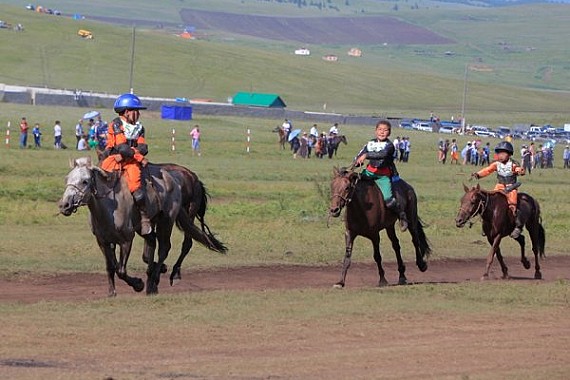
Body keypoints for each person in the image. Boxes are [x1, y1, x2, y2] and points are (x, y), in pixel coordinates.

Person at [100, 93, 152, 235]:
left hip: (130, 162)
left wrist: (134, 153)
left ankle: (144, 218)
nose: (138, 114)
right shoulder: (117, 124)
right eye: (136, 111)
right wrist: (139, 157)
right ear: (127, 111)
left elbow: (144, 147)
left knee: (137, 188)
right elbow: (122, 147)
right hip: (114, 160)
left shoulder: (140, 128)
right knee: (100, 181)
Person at [354, 120, 408, 231]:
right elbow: (360, 154)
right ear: (375, 131)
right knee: (351, 186)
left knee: (389, 200)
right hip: (368, 173)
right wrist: (356, 161)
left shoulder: (389, 145)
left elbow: (381, 155)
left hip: (383, 176)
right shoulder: (370, 143)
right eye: (380, 129)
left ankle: (402, 216)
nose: (382, 132)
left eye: (385, 130)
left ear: (389, 133)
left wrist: (366, 155)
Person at [471, 141, 525, 238]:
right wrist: (478, 174)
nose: (500, 155)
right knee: (491, 203)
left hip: (511, 187)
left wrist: (520, 171)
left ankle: (518, 227)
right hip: (499, 186)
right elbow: (487, 170)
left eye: (503, 153)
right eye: (499, 153)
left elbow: (518, 169)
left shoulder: (513, 164)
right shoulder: (496, 164)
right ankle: (488, 226)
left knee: (512, 205)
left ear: (508, 154)